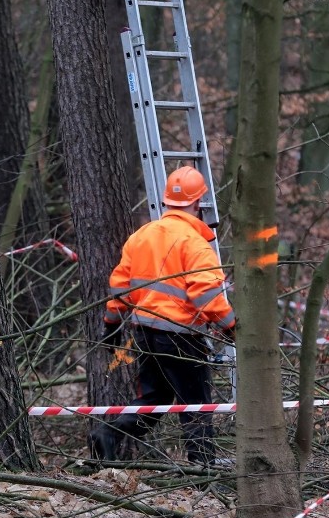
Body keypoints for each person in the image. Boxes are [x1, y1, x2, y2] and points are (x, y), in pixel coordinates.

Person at [89, 166, 235, 465]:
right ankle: (202, 471)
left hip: (144, 334)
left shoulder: (142, 236)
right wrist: (231, 326)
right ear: (198, 204)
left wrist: (112, 325)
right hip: (181, 337)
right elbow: (205, 295)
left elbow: (120, 287)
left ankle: (109, 435)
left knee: (153, 400)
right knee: (196, 406)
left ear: (166, 201)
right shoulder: (194, 244)